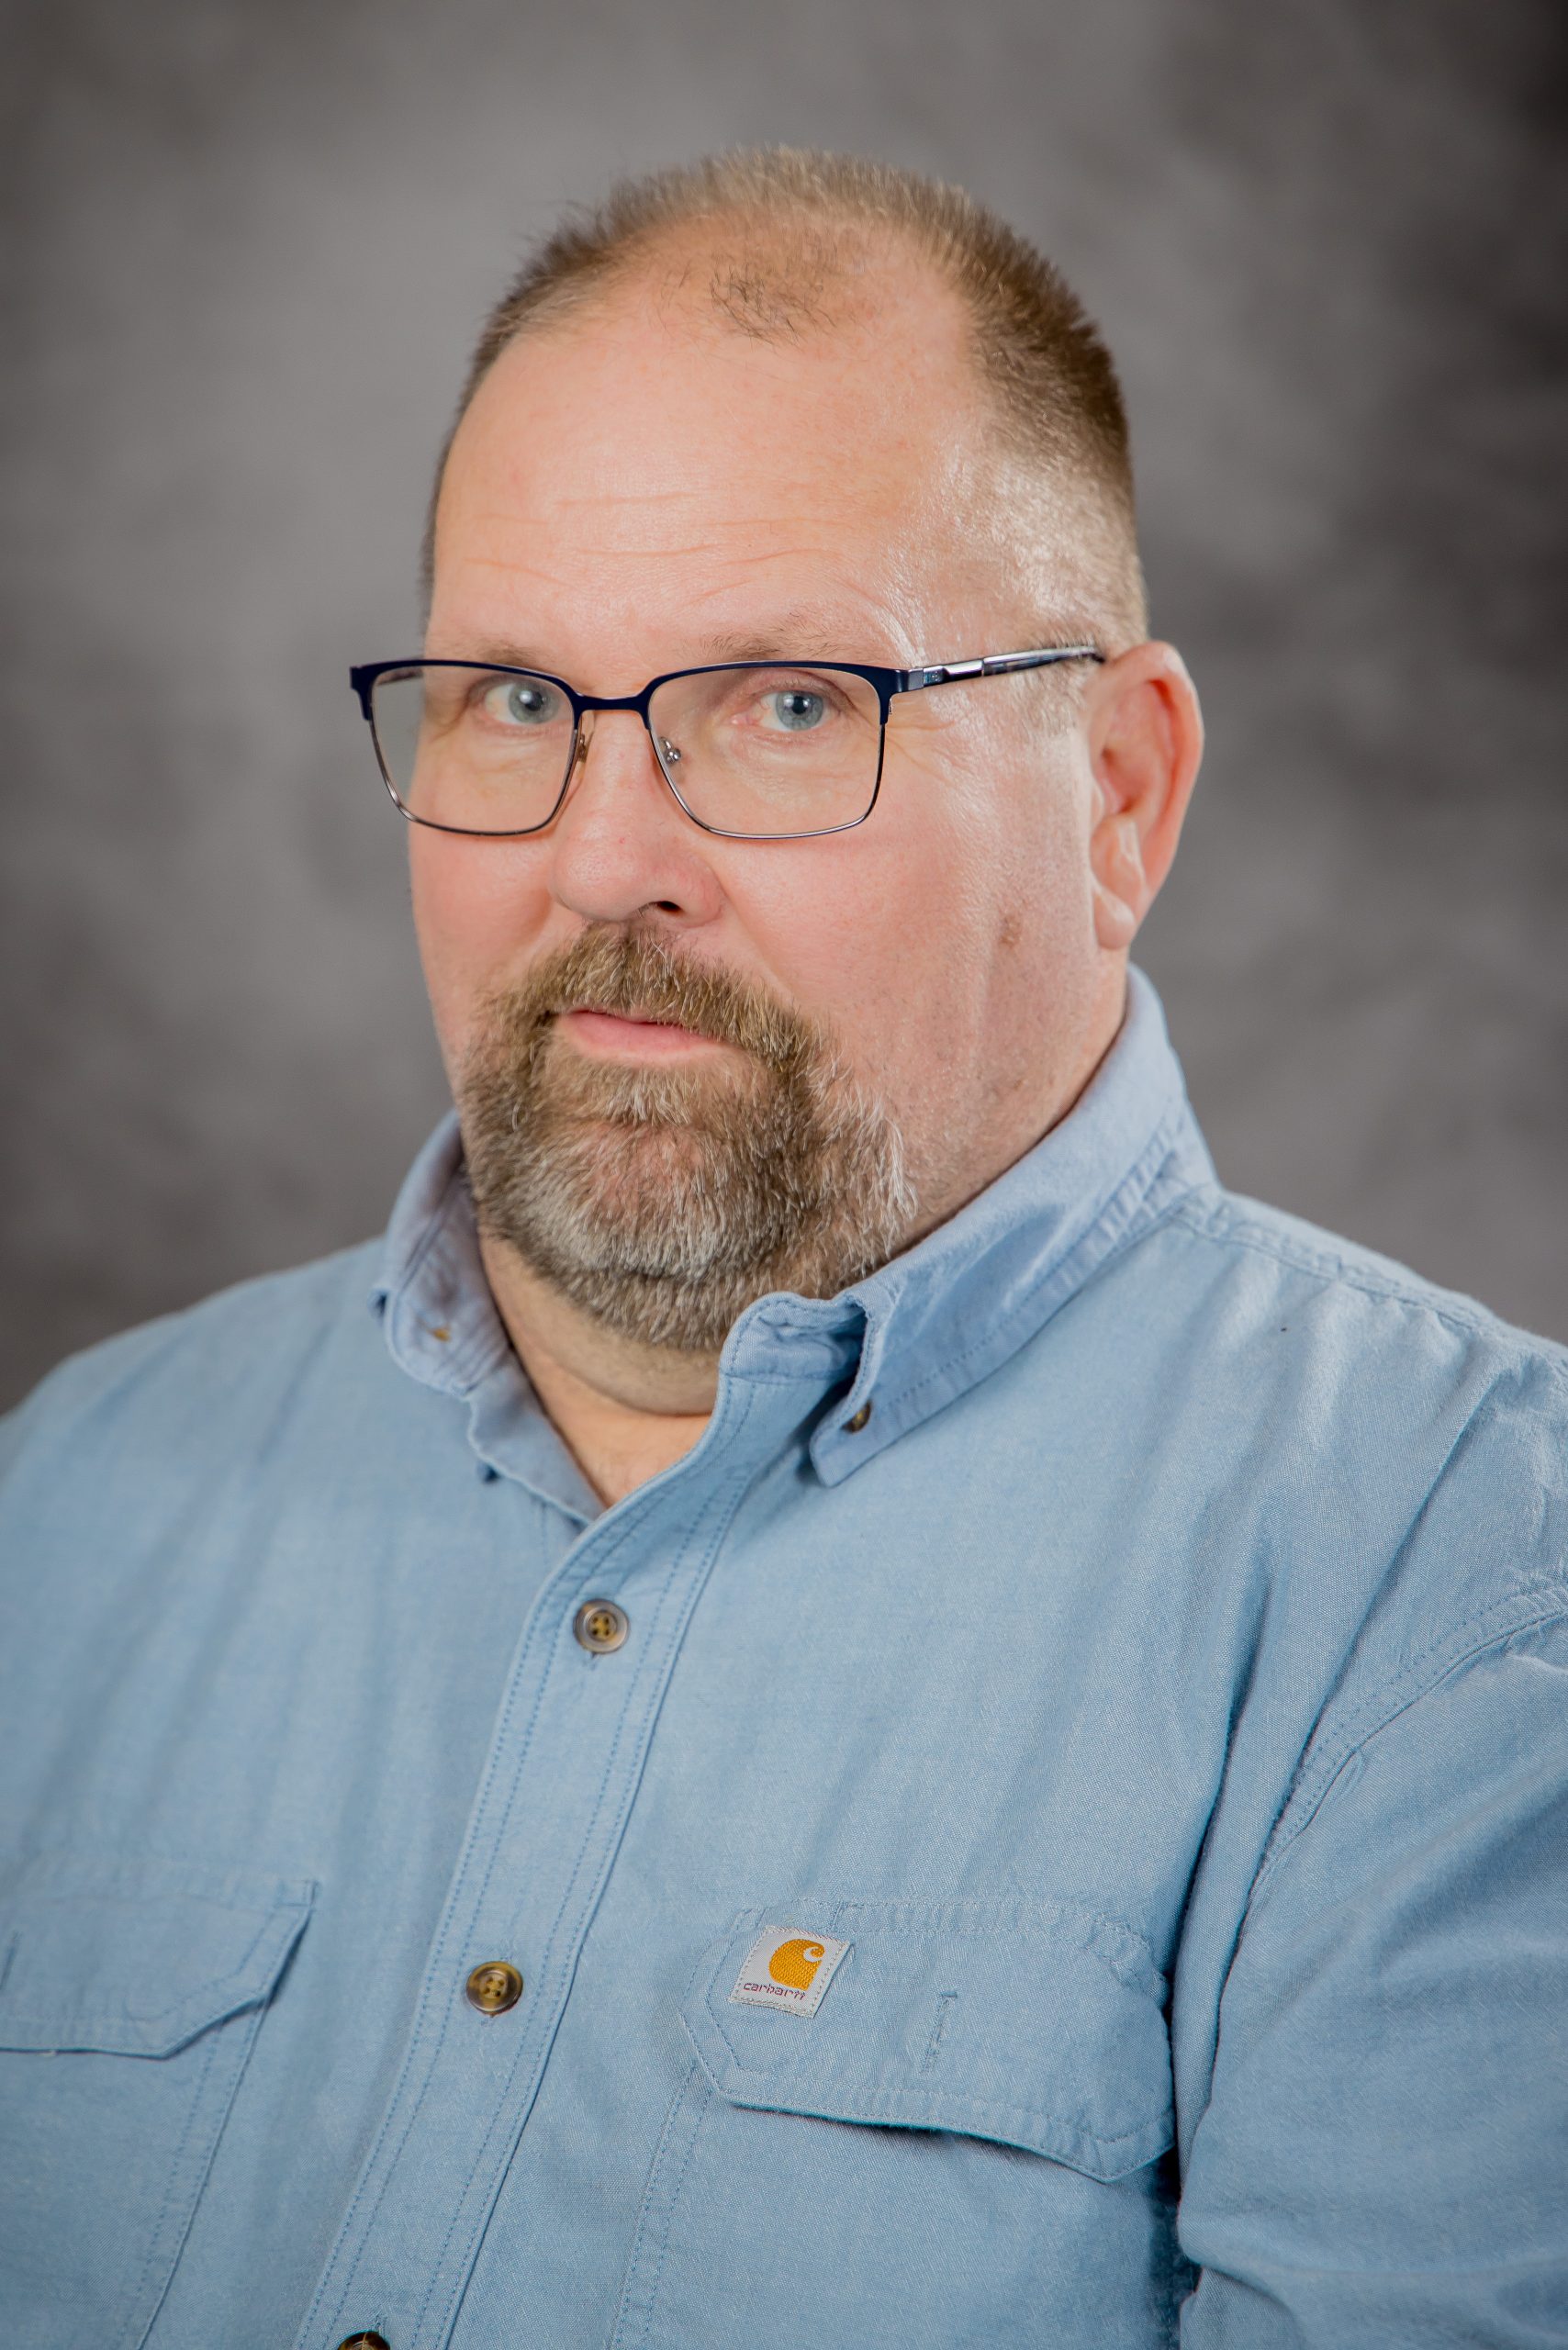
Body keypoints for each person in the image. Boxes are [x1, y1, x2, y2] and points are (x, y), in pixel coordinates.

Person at [0, 148, 1562, 2350]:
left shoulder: (1459, 1589)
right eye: (512, 701)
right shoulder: (66, 1510)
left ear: (1115, 793)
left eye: (791, 703)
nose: (601, 860)